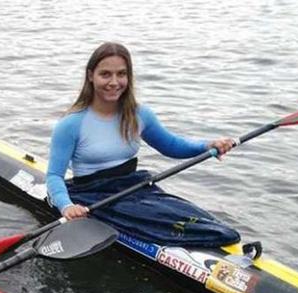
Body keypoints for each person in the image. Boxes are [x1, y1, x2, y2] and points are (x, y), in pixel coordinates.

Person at [46, 42, 239, 247]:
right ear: (91, 75)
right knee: (176, 224)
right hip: (93, 195)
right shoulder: (71, 124)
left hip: (133, 187)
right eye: (105, 74)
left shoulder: (139, 114)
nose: (114, 82)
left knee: (206, 221)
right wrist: (67, 206)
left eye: (121, 74)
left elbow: (172, 146)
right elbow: (54, 175)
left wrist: (207, 146)